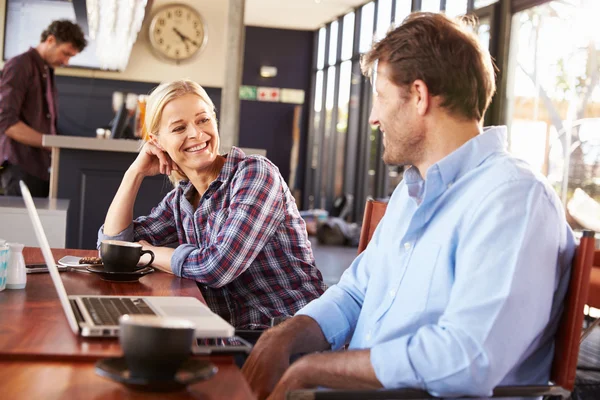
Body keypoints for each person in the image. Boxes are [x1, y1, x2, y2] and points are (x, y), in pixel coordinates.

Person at [242, 12, 575, 400]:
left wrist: (315, 368)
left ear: (419, 96)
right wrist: (285, 335)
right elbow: (354, 294)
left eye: (381, 98)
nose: (373, 117)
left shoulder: (514, 198)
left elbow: (468, 359)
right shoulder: (409, 194)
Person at [98, 79, 326, 329]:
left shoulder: (256, 174)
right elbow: (112, 248)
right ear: (157, 142)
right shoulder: (182, 198)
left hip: (286, 334)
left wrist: (146, 254)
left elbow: (217, 267)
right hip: (226, 335)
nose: (196, 134)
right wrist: (134, 173)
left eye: (203, 120)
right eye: (178, 128)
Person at [0, 19, 87, 197]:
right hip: (19, 167)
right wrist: (50, 143)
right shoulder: (19, 65)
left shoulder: (47, 71)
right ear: (50, 40)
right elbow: (6, 122)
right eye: (65, 54)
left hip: (38, 168)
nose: (66, 61)